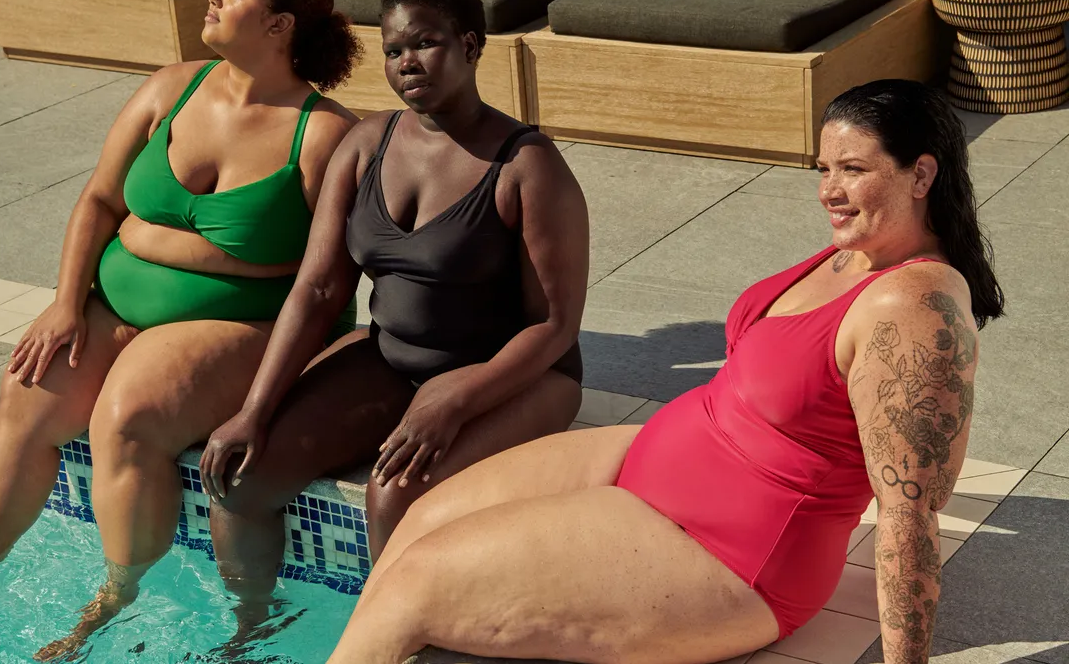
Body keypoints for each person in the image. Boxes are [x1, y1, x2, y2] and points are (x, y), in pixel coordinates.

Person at [325, 78, 1006, 664]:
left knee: (416, 583)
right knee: (415, 523)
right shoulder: (859, 252)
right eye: (823, 169)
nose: (830, 190)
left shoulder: (913, 306)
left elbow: (910, 511)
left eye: (853, 169)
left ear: (921, 174)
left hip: (733, 550)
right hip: (663, 460)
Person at [0, 0, 362, 659]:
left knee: (126, 415)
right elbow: (99, 198)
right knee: (28, 391)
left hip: (246, 324)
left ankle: (116, 596)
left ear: (279, 26)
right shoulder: (171, 89)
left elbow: (330, 274)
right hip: (113, 304)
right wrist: (66, 301)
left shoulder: (324, 132)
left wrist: (166, 245)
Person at [197, 0, 588, 643]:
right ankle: (250, 636)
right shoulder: (365, 144)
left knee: (394, 493)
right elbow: (319, 289)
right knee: (238, 477)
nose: (409, 63)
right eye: (394, 51)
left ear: (469, 44)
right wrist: (253, 410)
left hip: (520, 375)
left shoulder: (527, 167)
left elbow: (555, 327)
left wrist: (458, 396)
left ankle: (392, 645)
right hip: (392, 359)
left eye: (427, 43)